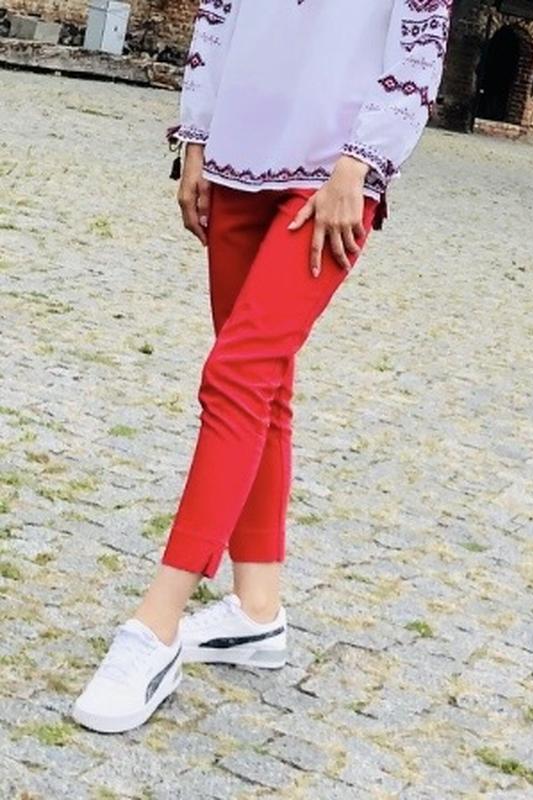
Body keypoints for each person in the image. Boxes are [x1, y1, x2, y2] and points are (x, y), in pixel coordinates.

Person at [72, 0, 453, 734]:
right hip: (234, 162)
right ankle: (256, 610)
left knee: (236, 377)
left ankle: (155, 627)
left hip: (332, 181)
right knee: (263, 385)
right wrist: (195, 142)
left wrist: (362, 164)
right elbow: (218, 18)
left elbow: (418, 43)